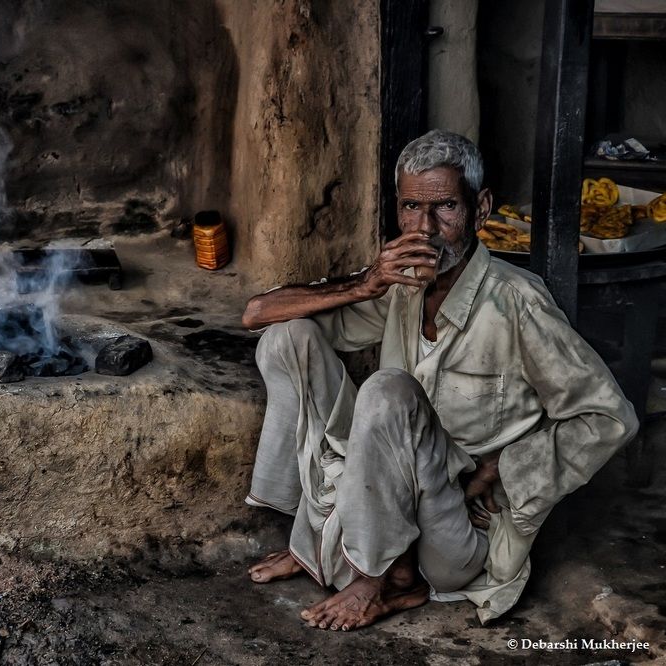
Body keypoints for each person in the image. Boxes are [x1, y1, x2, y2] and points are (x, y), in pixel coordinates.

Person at [241, 129, 638, 631]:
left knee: (386, 390)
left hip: (456, 533)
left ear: (481, 208)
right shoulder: (403, 286)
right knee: (287, 339)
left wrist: (504, 466)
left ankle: (382, 579)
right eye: (410, 208)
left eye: (445, 207)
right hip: (393, 501)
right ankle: (315, 536)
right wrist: (367, 283)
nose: (424, 228)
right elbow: (259, 314)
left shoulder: (518, 304)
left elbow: (609, 418)